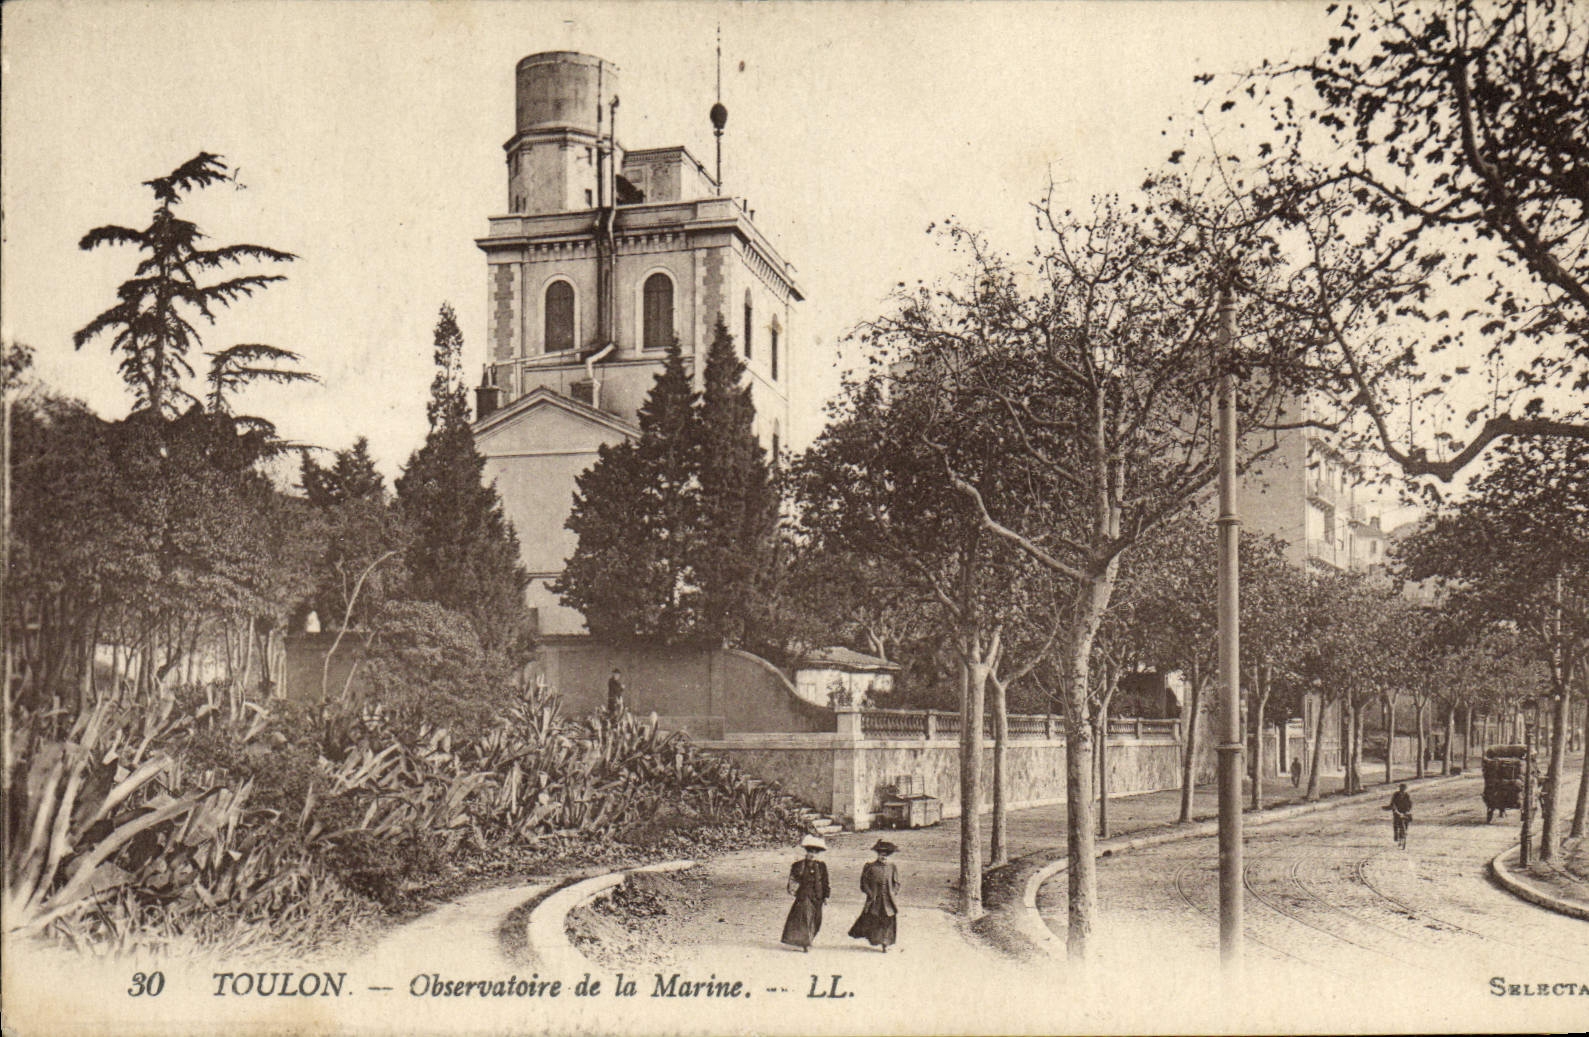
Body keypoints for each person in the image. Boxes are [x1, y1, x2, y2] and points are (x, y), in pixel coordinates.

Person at [848, 839, 901, 952]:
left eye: (886, 855)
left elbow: (896, 883)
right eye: (882, 855)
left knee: (888, 920)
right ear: (878, 855)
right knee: (875, 919)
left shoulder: (892, 867)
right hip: (875, 900)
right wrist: (870, 893)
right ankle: (878, 940)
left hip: (888, 901)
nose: (884, 857)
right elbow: (864, 883)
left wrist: (893, 892)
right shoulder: (870, 867)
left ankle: (885, 943)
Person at [780, 835, 830, 952]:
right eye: (810, 852)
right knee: (805, 918)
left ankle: (809, 939)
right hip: (804, 896)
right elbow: (793, 880)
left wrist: (826, 896)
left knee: (816, 919)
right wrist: (794, 889)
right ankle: (804, 943)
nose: (812, 855)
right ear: (806, 852)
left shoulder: (822, 866)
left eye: (815, 853)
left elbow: (825, 882)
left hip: (818, 897)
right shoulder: (799, 866)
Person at [1383, 783, 1413, 848]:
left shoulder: (1407, 795)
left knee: (1407, 820)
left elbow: (1409, 803)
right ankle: (1396, 833)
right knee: (1396, 822)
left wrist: (1408, 810)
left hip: (1405, 810)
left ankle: (1405, 832)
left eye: (1404, 788)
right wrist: (1395, 809)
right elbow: (1392, 803)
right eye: (1401, 788)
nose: (1402, 789)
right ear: (1399, 788)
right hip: (1397, 810)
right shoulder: (1396, 794)